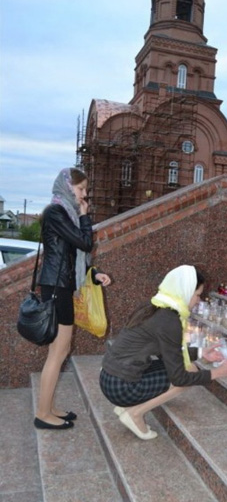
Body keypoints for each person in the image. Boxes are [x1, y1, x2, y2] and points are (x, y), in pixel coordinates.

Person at [100, 265, 227, 440]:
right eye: (197, 295)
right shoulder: (169, 320)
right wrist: (216, 373)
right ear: (185, 291)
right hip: (121, 387)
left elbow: (168, 352)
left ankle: (126, 407)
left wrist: (201, 352)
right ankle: (135, 414)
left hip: (110, 377)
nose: (199, 300)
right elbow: (179, 378)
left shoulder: (155, 306)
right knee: (189, 372)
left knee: (186, 367)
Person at [35, 167, 111, 430]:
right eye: (81, 189)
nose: (84, 195)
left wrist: (95, 274)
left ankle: (48, 407)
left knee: (59, 351)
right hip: (56, 287)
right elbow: (84, 243)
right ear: (68, 186)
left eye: (85, 189)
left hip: (61, 285)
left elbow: (75, 256)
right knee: (59, 351)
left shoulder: (64, 213)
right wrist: (84, 216)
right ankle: (43, 414)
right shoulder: (56, 212)